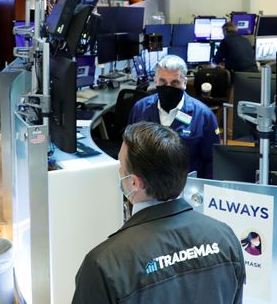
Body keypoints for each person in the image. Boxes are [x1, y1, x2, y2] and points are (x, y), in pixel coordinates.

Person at [72, 121, 245, 303]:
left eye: (121, 164)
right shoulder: (225, 238)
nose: (119, 170)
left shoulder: (104, 264)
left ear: (134, 182)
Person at [128, 54, 219, 178]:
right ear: (155, 81)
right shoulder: (140, 109)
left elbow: (212, 161)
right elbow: (129, 150)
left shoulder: (204, 115)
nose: (168, 87)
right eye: (163, 82)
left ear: (184, 83)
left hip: (186, 187)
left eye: (175, 82)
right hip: (148, 186)